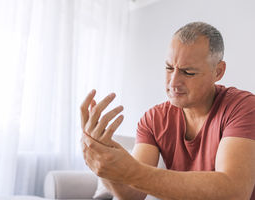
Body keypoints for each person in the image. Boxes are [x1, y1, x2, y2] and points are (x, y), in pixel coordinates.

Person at [80, 22, 255, 200]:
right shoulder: (154, 119)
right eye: (169, 68)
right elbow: (132, 194)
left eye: (188, 72)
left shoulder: (243, 107)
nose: (173, 83)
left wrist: (131, 171)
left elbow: (234, 192)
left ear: (218, 71)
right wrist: (105, 163)